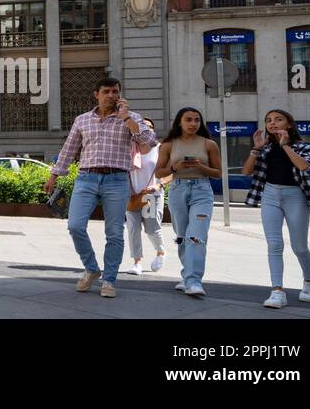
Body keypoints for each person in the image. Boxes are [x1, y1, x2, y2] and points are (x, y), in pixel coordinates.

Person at [45, 76, 155, 298]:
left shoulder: (131, 118)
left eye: (115, 92)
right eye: (107, 92)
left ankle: (110, 280)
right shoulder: (82, 120)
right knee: (75, 226)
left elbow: (149, 141)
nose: (111, 96)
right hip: (87, 178)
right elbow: (69, 149)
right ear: (97, 94)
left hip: (116, 179)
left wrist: (127, 119)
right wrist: (54, 176)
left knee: (114, 232)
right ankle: (92, 268)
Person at [243, 108, 310, 308]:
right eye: (269, 120)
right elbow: (247, 171)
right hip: (270, 195)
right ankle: (277, 291)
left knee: (299, 247)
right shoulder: (266, 149)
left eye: (278, 119)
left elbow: (304, 166)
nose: (272, 123)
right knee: (274, 245)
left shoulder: (305, 146)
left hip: (295, 196)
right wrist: (256, 149)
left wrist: (285, 146)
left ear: (289, 124)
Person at [155, 107, 221, 297]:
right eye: (188, 120)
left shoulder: (209, 145)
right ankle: (187, 276)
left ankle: (194, 281)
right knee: (182, 237)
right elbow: (158, 172)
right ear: (179, 122)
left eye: (196, 120)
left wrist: (202, 167)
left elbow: (218, 173)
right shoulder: (168, 145)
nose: (193, 124)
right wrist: (175, 167)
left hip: (202, 190)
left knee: (196, 236)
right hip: (177, 190)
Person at [125, 118, 166, 277]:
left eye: (148, 127)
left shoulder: (159, 149)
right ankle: (137, 262)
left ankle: (161, 251)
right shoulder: (129, 147)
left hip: (151, 196)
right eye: (142, 126)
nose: (144, 130)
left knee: (151, 229)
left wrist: (159, 185)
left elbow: (170, 172)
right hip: (132, 195)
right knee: (133, 229)